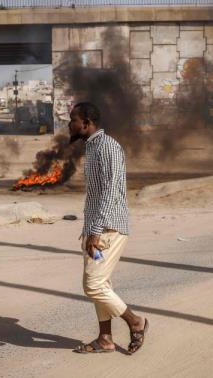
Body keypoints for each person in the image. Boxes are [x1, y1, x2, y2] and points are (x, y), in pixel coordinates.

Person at [68, 102, 149, 355]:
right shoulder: (92, 148)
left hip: (109, 228)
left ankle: (136, 322)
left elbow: (111, 192)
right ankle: (105, 339)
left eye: (73, 119)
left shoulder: (108, 147)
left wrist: (96, 230)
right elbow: (96, 194)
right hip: (97, 227)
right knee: (102, 284)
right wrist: (89, 228)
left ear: (86, 122)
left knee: (93, 285)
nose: (69, 124)